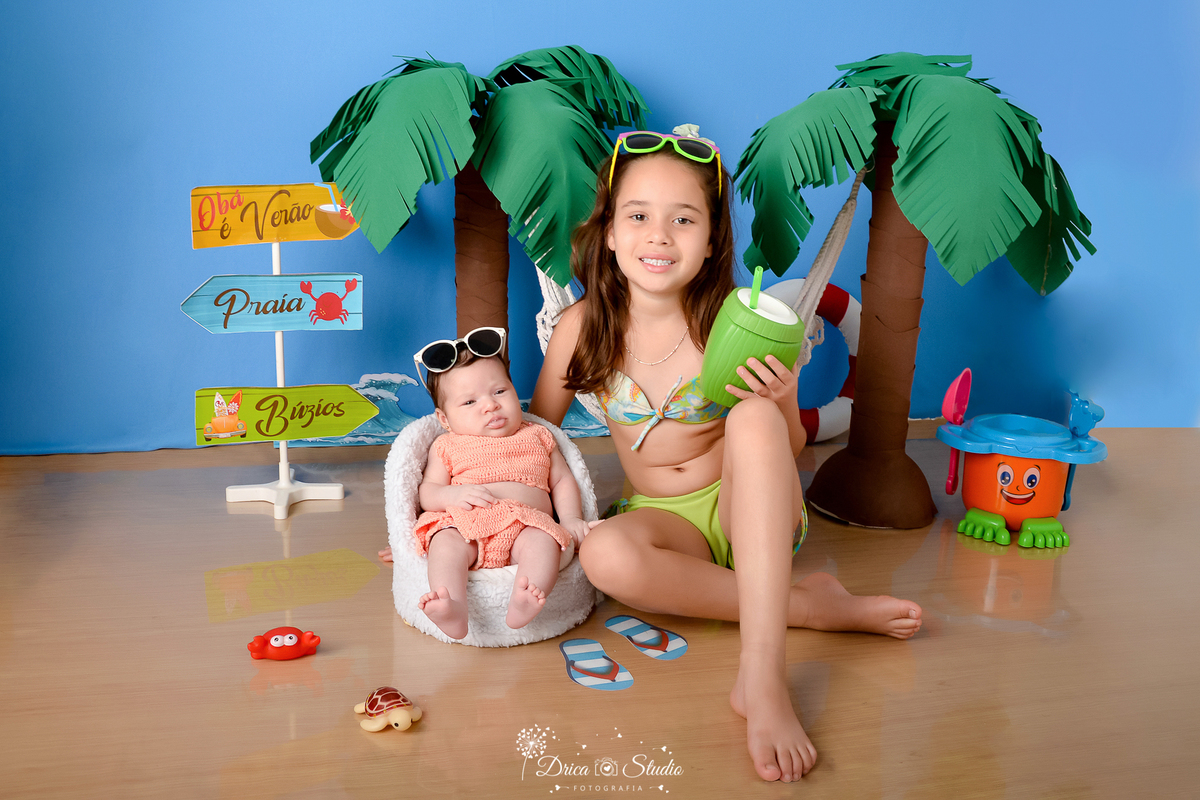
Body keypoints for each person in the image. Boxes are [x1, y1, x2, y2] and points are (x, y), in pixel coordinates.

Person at [529, 128, 923, 783]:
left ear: (711, 240)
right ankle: (807, 606)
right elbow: (537, 437)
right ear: (609, 234)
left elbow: (786, 450)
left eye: (683, 219)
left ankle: (762, 678)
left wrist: (782, 396)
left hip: (749, 514)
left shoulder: (731, 321)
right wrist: (470, 516)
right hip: (666, 522)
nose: (659, 236)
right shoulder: (580, 328)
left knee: (749, 416)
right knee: (602, 554)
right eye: (639, 217)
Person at [389, 328, 592, 639]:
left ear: (513, 390)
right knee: (445, 545)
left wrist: (571, 519)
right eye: (469, 402)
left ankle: (527, 595)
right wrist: (452, 495)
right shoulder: (447, 445)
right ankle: (452, 605)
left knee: (545, 543)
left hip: (526, 525)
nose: (490, 405)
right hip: (465, 526)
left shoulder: (537, 435)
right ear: (445, 419)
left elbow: (564, 480)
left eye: (500, 392)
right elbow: (427, 493)